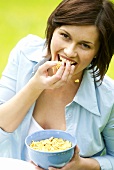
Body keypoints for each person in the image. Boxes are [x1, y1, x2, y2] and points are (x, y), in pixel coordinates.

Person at [0, 0, 114, 169]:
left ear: (98, 52)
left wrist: (82, 165)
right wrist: (35, 86)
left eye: (85, 45)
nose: (69, 52)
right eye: (65, 36)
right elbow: (3, 123)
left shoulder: (108, 96)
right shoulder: (24, 53)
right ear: (53, 30)